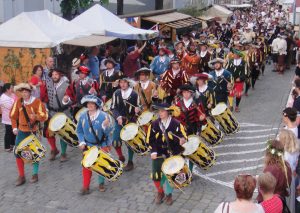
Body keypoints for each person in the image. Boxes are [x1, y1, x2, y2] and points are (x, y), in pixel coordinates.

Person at [146, 102, 187, 205]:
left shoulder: (176, 124)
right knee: (156, 175)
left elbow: (183, 136)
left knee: (170, 175)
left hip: (172, 154)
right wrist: (153, 151)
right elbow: (149, 140)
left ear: (168, 112)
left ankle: (169, 194)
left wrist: (182, 140)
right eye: (159, 111)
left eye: (162, 111)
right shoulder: (154, 124)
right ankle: (160, 193)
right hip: (158, 153)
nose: (160, 113)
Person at [10, 83, 48, 185]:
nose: (24, 94)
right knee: (17, 152)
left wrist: (35, 116)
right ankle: (21, 176)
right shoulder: (18, 101)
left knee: (34, 152)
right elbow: (13, 116)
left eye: (26, 92)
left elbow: (44, 115)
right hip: (21, 131)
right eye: (22, 92)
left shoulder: (37, 102)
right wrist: (14, 128)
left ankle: (35, 174)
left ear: (30, 92)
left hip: (33, 130)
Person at [76, 95, 113, 195]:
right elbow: (79, 131)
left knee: (100, 164)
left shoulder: (104, 116)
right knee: (86, 166)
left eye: (92, 104)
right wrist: (82, 142)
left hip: (101, 144)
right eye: (88, 103)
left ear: (96, 105)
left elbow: (109, 133)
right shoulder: (83, 116)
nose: (90, 105)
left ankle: (101, 183)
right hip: (88, 145)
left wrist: (105, 125)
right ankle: (86, 186)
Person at [40, 68, 71, 162]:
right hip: (51, 112)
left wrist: (67, 99)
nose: (54, 76)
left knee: (63, 133)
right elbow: (44, 97)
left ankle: (63, 153)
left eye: (56, 74)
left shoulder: (66, 85)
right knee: (48, 133)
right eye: (53, 74)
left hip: (63, 112)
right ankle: (54, 149)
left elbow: (71, 98)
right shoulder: (48, 85)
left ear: (60, 75)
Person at [111, 76, 140, 170]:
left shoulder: (134, 94)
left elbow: (139, 107)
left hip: (130, 121)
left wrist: (137, 110)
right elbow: (113, 107)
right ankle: (121, 157)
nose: (122, 84)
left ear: (128, 83)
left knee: (130, 143)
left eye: (124, 82)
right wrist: (118, 117)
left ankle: (130, 161)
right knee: (115, 141)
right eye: (121, 82)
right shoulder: (116, 93)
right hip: (119, 121)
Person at [175, 84, 206, 171]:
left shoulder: (196, 104)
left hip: (193, 129)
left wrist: (201, 117)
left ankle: (191, 170)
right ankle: (182, 169)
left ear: (191, 93)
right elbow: (175, 119)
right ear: (182, 93)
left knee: (191, 150)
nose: (186, 94)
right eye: (184, 92)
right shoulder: (178, 104)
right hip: (181, 131)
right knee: (181, 150)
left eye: (188, 92)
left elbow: (201, 115)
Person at [278, 129, 300, 213]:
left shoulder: (285, 155)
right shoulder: (295, 151)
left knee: (288, 199)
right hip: (293, 176)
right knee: (292, 200)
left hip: (287, 178)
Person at [0, 83, 16, 152]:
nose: (12, 89)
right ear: (7, 89)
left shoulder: (11, 95)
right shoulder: (3, 98)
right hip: (7, 118)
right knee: (8, 132)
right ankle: (7, 147)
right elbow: (11, 107)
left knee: (13, 131)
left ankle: (12, 144)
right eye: (11, 88)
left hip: (13, 117)